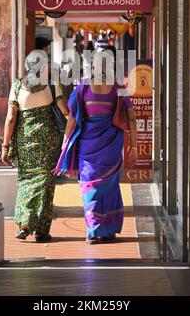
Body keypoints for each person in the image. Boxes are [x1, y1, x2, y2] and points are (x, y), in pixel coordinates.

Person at [53, 49, 138, 244]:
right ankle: (107, 229)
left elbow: (73, 118)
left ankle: (93, 230)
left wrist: (65, 142)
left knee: (89, 186)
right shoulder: (119, 87)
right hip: (111, 146)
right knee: (109, 187)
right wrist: (134, 146)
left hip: (88, 147)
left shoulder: (83, 86)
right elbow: (132, 118)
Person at [1, 51, 69, 241]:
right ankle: (41, 231)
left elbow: (11, 118)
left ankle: (24, 223)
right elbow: (65, 112)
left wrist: (5, 147)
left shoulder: (17, 86)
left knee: (26, 181)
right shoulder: (52, 85)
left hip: (25, 142)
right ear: (44, 67)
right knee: (46, 184)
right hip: (48, 142)